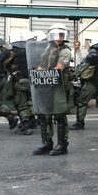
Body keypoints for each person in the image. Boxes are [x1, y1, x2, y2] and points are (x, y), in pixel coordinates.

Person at [0, 29, 34, 135]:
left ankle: (26, 126)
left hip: (18, 80)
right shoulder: (28, 52)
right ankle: (24, 122)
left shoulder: (8, 52)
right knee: (25, 102)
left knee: (20, 103)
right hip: (29, 80)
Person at [32, 23, 74, 156]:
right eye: (56, 35)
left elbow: (60, 67)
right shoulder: (49, 49)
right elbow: (43, 65)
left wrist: (46, 75)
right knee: (45, 113)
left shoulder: (65, 50)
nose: (58, 37)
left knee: (59, 114)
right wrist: (37, 73)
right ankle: (46, 142)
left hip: (59, 85)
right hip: (47, 84)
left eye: (61, 35)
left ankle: (62, 144)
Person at [71, 34, 98, 131]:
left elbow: (84, 67)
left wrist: (75, 75)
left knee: (82, 101)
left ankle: (80, 122)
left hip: (91, 82)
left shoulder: (93, 54)